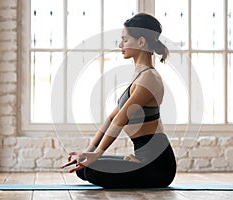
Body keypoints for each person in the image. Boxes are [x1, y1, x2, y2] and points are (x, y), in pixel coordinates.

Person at [60, 13, 176, 189]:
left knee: (91, 170)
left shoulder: (149, 78)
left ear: (141, 42)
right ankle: (134, 165)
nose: (120, 45)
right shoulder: (140, 76)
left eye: (125, 40)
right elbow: (110, 119)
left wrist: (98, 154)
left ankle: (138, 168)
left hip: (158, 165)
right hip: (143, 157)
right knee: (83, 167)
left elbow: (121, 119)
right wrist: (89, 152)